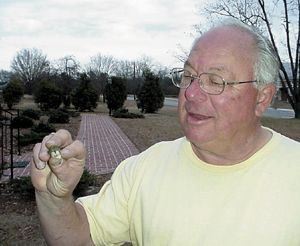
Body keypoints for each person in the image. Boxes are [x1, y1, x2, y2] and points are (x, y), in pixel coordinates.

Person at [31, 18, 300, 245]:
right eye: (188, 76)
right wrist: (54, 198)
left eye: (215, 81)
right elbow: (81, 237)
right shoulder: (143, 170)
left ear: (262, 98)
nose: (191, 93)